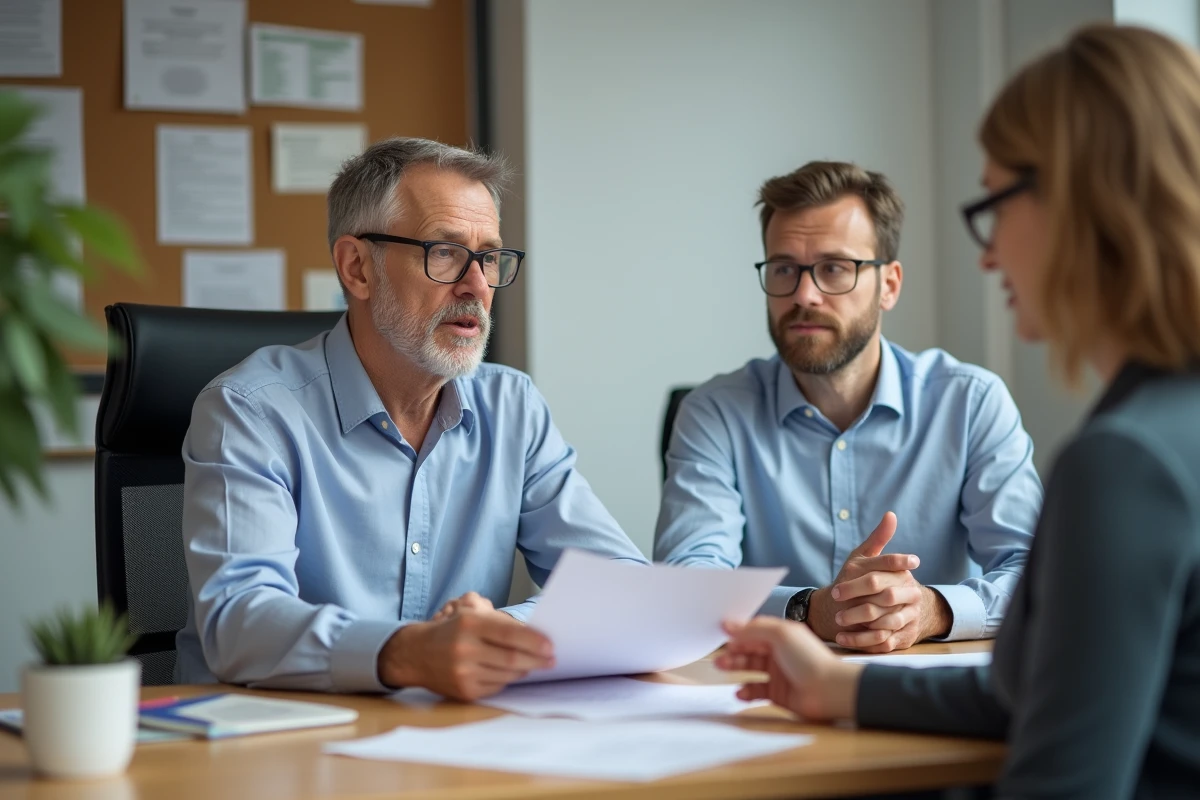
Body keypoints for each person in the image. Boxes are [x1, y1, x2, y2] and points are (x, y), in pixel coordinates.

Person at [717, 25, 1200, 797]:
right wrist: (838, 682)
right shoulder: (1170, 424)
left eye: (997, 204)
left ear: (1083, 203)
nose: (987, 252)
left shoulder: (1125, 462)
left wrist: (930, 612)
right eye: (785, 270)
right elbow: (1044, 695)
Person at [175, 137, 648, 699]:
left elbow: (623, 585)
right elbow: (238, 624)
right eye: (445, 252)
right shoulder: (251, 411)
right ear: (357, 269)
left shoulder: (512, 407)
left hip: (447, 738)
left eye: (490, 257)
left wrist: (500, 634)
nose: (477, 286)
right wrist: (408, 654)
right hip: (275, 741)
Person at [655, 161, 1042, 652]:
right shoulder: (714, 413)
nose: (804, 295)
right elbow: (686, 586)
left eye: (835, 268)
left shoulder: (970, 403)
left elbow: (1035, 571)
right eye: (784, 269)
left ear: (890, 285)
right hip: (763, 699)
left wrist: (933, 610)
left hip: (926, 691)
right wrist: (807, 608)